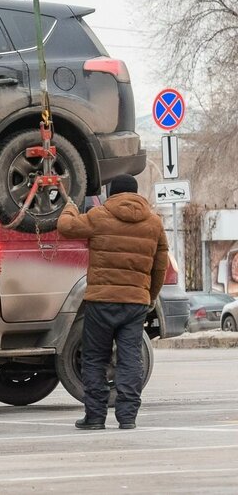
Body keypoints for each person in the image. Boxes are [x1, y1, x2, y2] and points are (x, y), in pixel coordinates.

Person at [57, 174, 168, 430]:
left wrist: (70, 207)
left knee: (95, 358)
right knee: (131, 360)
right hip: (135, 302)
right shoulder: (154, 222)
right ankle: (128, 417)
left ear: (111, 193)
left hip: (102, 301)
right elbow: (160, 266)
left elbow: (66, 227)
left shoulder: (99, 216)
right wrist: (149, 296)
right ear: (136, 193)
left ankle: (95, 417)